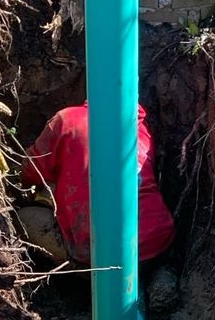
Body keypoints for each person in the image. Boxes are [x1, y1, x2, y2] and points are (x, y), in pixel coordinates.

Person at [19, 102, 176, 267]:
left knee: (25, 217)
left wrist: (17, 181)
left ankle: (66, 286)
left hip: (99, 256)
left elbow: (31, 171)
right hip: (158, 240)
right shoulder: (142, 129)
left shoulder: (68, 120)